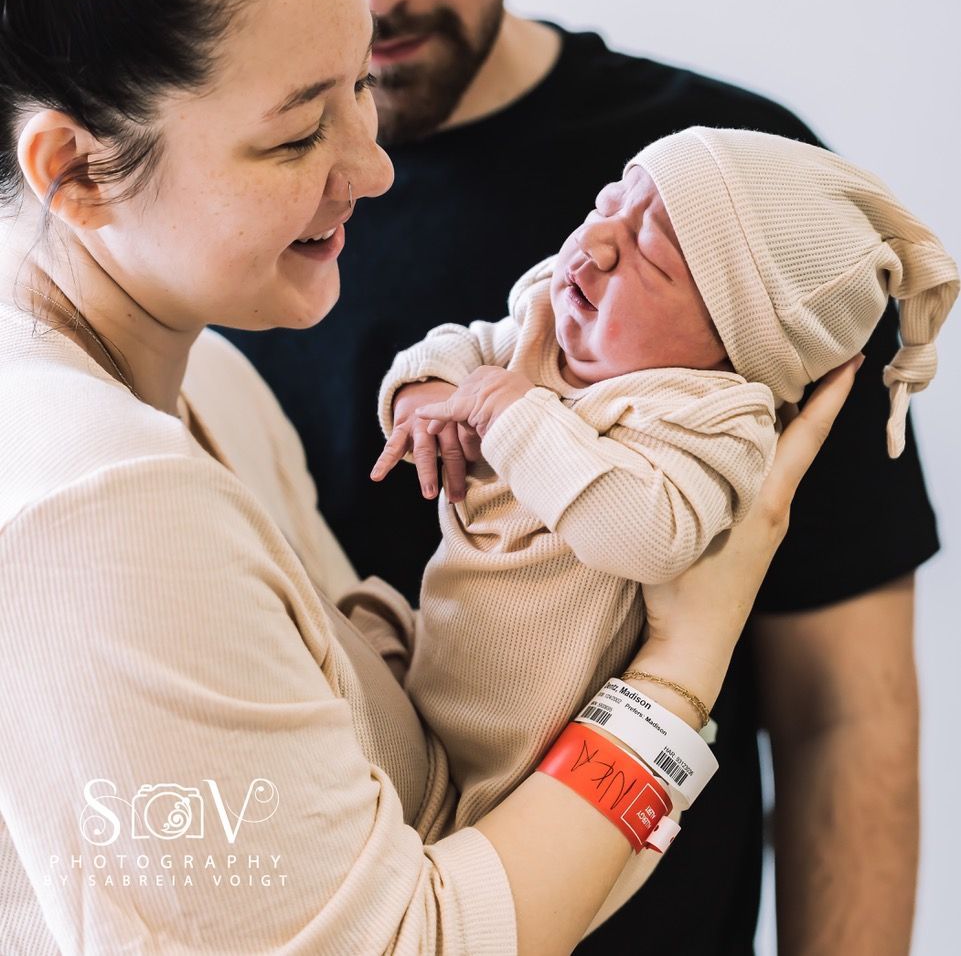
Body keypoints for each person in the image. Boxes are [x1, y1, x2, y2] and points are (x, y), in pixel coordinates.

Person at [0, 0, 865, 953]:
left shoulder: (216, 388)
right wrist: (680, 656)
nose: (375, 166)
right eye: (298, 132)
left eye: (358, 86)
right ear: (75, 169)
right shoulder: (92, 511)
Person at [371, 127, 957, 829]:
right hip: (433, 680)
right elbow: (461, 344)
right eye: (607, 203)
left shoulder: (709, 416)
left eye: (649, 259)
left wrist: (508, 410)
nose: (595, 244)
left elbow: (646, 534)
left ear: (734, 348)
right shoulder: (548, 318)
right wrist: (426, 394)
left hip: (522, 780)